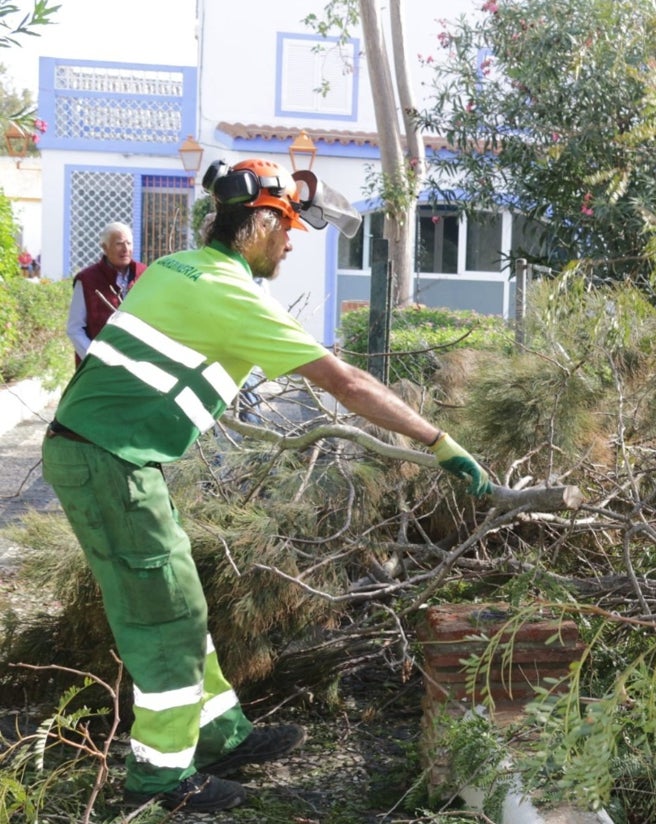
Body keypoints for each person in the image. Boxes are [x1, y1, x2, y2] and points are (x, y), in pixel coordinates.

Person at [41, 157, 491, 814]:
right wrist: (438, 443)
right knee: (164, 619)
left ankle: (222, 735)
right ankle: (162, 779)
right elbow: (348, 384)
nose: (289, 243)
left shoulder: (176, 267)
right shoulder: (230, 293)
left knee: (181, 598)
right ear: (256, 223)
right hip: (109, 461)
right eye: (285, 228)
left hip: (111, 454)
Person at [66, 222, 147, 365]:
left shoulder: (144, 274)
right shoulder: (87, 280)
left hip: (137, 362)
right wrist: (96, 359)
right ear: (104, 247)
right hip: (97, 366)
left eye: (129, 243)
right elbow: (75, 329)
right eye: (119, 244)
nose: (125, 249)